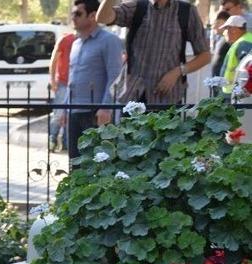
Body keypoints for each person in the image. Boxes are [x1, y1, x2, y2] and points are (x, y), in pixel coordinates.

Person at [97, 0, 210, 104]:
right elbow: (102, 18)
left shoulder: (187, 11)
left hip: (167, 97)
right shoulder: (137, 7)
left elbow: (205, 55)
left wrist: (178, 71)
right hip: (134, 94)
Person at [62, 0, 125, 160]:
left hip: (95, 112)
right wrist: (64, 108)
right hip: (74, 111)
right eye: (72, 13)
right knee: (75, 163)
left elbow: (115, 76)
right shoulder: (76, 43)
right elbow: (72, 78)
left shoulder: (109, 40)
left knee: (96, 164)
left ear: (92, 16)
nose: (73, 18)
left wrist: (105, 108)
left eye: (78, 14)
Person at [48, 32, 75, 152]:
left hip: (76, 83)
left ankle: (66, 143)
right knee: (58, 114)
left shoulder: (87, 40)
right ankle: (52, 140)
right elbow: (54, 60)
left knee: (71, 115)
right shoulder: (65, 39)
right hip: (63, 82)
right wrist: (53, 80)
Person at [221, 15, 252, 91]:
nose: (224, 32)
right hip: (235, 91)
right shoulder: (243, 41)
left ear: (234, 29)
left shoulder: (244, 43)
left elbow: (247, 72)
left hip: (236, 93)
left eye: (226, 28)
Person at [213, 10, 233, 77]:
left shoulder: (230, 40)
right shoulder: (220, 39)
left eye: (218, 23)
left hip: (223, 81)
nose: (214, 26)